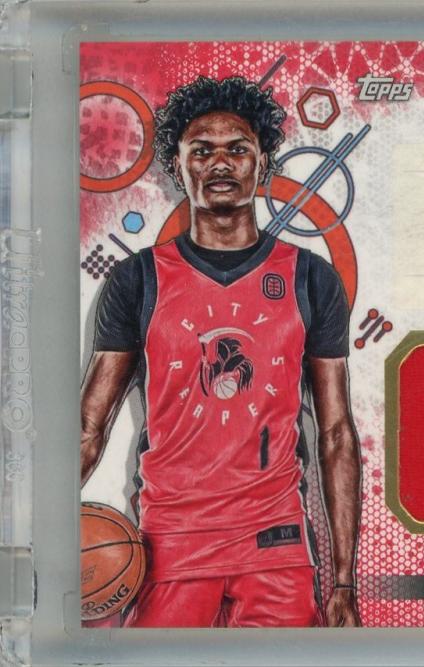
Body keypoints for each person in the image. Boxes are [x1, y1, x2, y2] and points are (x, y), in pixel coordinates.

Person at [80, 76, 362, 628]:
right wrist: (32, 531)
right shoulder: (137, 280)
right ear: (177, 165)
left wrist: (344, 582)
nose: (220, 164)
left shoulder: (310, 279)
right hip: (170, 540)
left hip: (275, 540)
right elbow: (90, 426)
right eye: (201, 151)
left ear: (263, 162)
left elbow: (335, 433)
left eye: (238, 149)